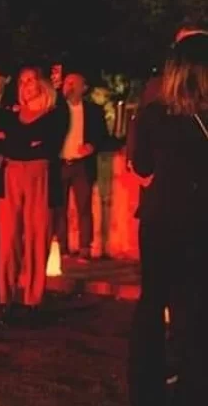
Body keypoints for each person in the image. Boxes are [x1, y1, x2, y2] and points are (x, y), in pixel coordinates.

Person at [128, 34, 208, 406]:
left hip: (160, 219)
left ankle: (145, 388)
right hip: (198, 219)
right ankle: (193, 386)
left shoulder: (154, 114)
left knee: (152, 301)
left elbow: (142, 166)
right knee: (192, 306)